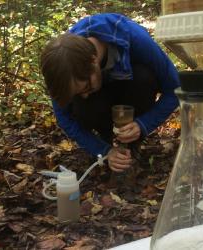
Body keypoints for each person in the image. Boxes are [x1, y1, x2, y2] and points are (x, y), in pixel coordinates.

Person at [40, 13, 180, 173]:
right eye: (78, 93)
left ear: (93, 61)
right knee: (83, 103)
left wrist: (143, 124)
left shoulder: (134, 38)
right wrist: (103, 150)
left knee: (143, 76)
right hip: (102, 104)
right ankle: (108, 141)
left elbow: (175, 89)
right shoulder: (62, 65)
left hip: (131, 92)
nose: (84, 96)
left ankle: (131, 143)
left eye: (86, 88)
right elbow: (63, 117)